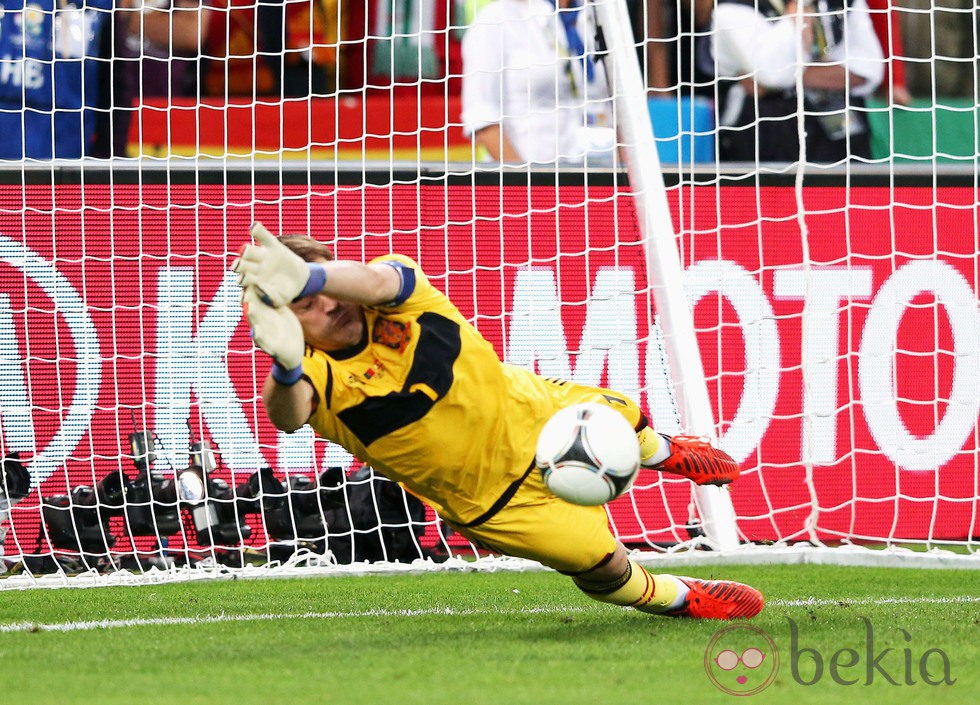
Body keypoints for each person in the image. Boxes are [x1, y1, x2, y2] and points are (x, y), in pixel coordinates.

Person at [233, 222, 764, 620]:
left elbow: (374, 280)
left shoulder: (398, 295)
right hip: (491, 500)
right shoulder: (312, 375)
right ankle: (676, 597)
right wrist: (285, 364)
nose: (326, 304)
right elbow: (287, 416)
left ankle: (664, 451)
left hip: (532, 411)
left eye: (324, 282)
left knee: (620, 413)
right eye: (304, 302)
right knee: (599, 563)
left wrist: (310, 276)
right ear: (283, 322)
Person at [705, 0, 885, 163]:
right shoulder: (730, 8)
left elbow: (869, 69)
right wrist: (796, 16)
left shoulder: (845, 2)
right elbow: (772, 72)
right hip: (764, 136)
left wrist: (780, 77)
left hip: (839, 132)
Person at [461, 0, 616, 166]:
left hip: (600, 174)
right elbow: (482, 118)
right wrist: (529, 184)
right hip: (533, 176)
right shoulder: (497, 18)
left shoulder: (597, 16)